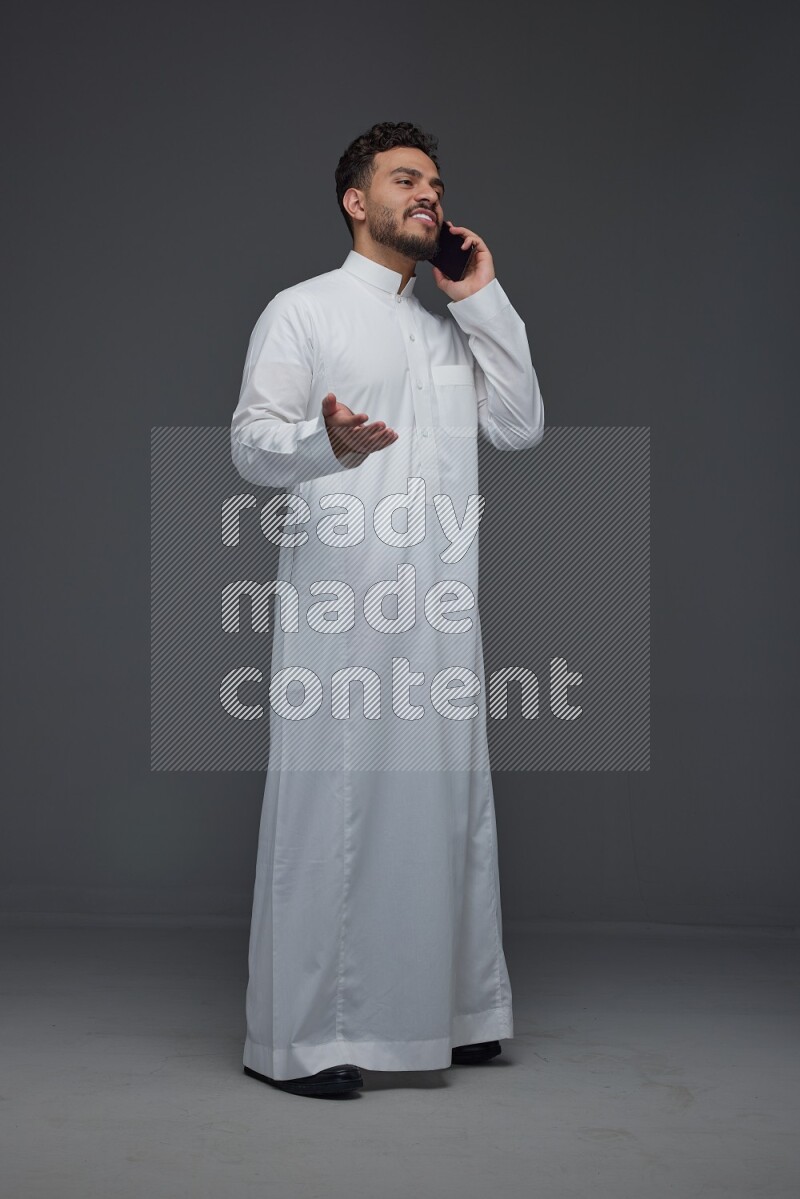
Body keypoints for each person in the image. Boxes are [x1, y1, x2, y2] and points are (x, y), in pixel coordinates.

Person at [230, 121, 545, 1098]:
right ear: (353, 201)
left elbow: (520, 423)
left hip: (439, 614)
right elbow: (250, 443)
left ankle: (456, 1014)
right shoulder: (304, 311)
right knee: (334, 810)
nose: (429, 195)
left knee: (444, 808)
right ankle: (299, 1039)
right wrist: (327, 447)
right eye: (404, 179)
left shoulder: (443, 330)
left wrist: (480, 295)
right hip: (342, 607)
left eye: (437, 185)